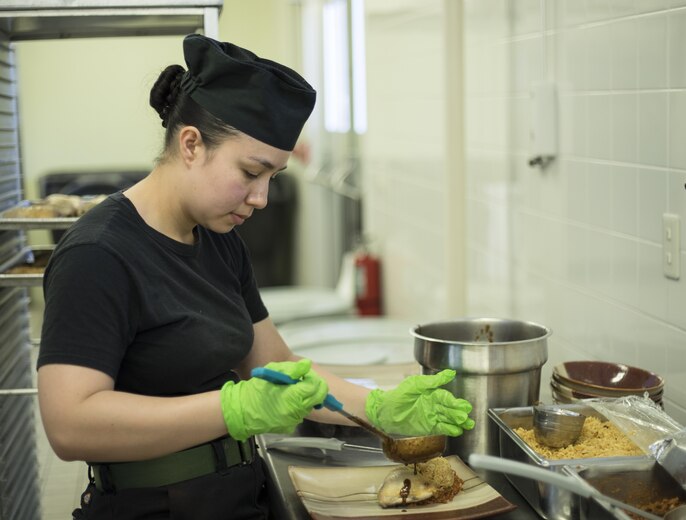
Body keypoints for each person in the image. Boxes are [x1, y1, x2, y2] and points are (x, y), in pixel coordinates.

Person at [36, 34, 475, 520]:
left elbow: (278, 365)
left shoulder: (219, 240)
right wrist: (233, 409)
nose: (261, 198)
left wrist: (380, 408)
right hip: (152, 508)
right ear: (190, 144)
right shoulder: (100, 254)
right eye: (250, 172)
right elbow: (69, 424)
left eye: (273, 178)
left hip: (237, 497)